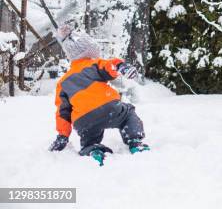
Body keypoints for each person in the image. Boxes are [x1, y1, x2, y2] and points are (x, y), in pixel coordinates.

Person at [48, 25, 148, 165]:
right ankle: (135, 141)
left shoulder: (62, 82)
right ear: (89, 50)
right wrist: (121, 67)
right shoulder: (93, 64)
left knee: (90, 138)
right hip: (109, 108)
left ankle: (92, 149)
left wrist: (63, 135)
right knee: (128, 113)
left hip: (83, 121)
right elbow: (109, 65)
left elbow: (62, 112)